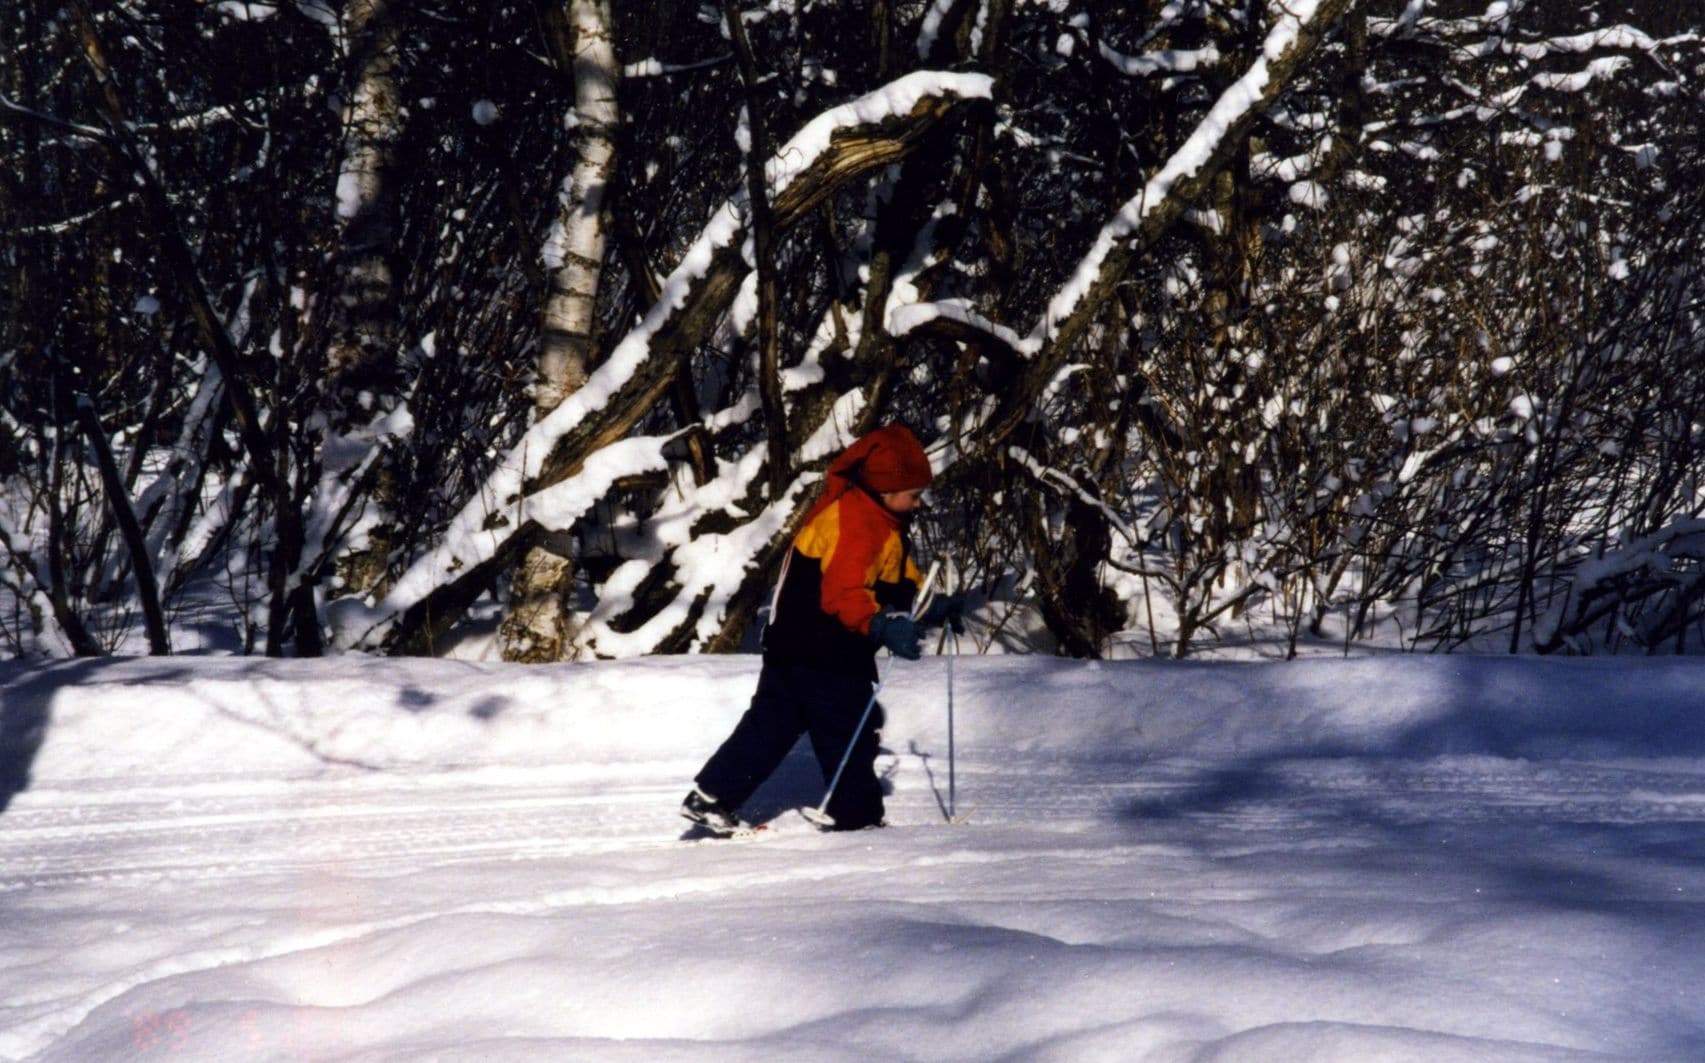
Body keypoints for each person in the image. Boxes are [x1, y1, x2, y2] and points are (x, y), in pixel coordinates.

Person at [682, 424, 962, 834]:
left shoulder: (876, 517)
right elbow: (843, 593)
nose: (919, 503)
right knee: (850, 729)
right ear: (886, 489)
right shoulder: (856, 521)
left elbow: (895, 577)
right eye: (914, 494)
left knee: (771, 726)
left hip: (792, 648)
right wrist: (879, 626)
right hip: (825, 652)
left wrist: (931, 605)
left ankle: (712, 796)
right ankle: (858, 820)